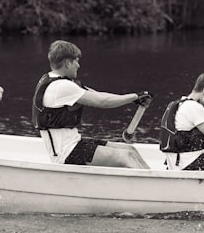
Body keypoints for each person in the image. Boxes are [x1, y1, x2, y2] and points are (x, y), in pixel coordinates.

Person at [32, 40, 151, 169]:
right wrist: (134, 97)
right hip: (66, 154)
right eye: (76, 61)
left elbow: (99, 95)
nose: (78, 65)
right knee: (125, 156)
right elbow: (102, 102)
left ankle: (157, 180)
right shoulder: (62, 87)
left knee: (130, 150)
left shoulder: (55, 80)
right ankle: (154, 187)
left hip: (75, 144)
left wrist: (134, 97)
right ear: (67, 63)